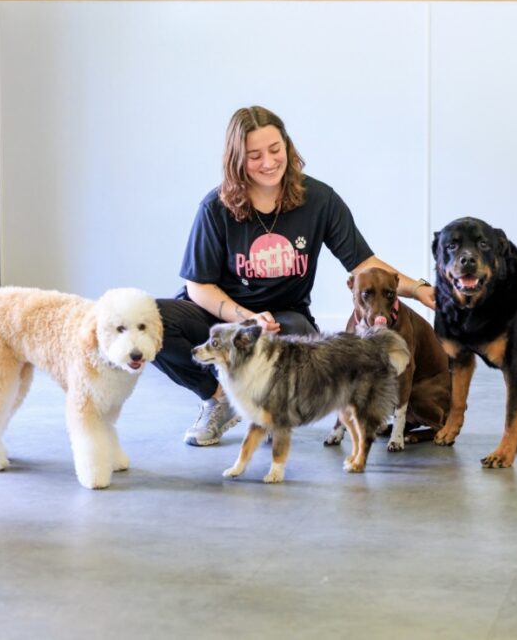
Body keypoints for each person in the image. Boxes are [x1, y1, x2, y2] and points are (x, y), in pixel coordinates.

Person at [155, 106, 436, 446]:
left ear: (287, 146)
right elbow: (198, 285)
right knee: (150, 321)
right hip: (219, 315)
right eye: (254, 156)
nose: (269, 162)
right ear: (236, 159)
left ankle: (264, 405)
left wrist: (417, 289)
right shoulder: (215, 207)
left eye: (275, 149)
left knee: (307, 345)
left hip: (284, 320)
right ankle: (220, 398)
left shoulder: (319, 200)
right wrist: (245, 319)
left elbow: (363, 263)